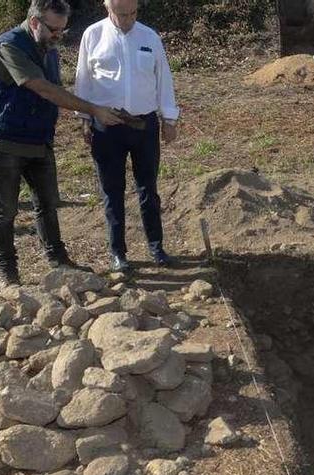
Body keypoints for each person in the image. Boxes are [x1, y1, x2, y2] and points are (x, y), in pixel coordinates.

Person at [0, 0, 123, 289]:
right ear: (34, 23)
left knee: (47, 205)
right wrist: (94, 110)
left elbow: (54, 89)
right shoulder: (9, 46)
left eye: (62, 30)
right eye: (54, 30)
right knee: (5, 210)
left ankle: (58, 260)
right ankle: (8, 273)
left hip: (39, 140)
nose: (58, 36)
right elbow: (44, 89)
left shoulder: (49, 50)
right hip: (4, 140)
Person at [74, 0, 180, 273]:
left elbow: (163, 79)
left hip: (143, 125)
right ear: (107, 8)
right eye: (122, 14)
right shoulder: (93, 35)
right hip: (107, 125)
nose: (128, 19)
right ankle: (118, 254)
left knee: (148, 188)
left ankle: (157, 248)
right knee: (112, 190)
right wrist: (85, 119)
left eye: (133, 13)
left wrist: (169, 117)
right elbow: (83, 79)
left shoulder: (149, 37)